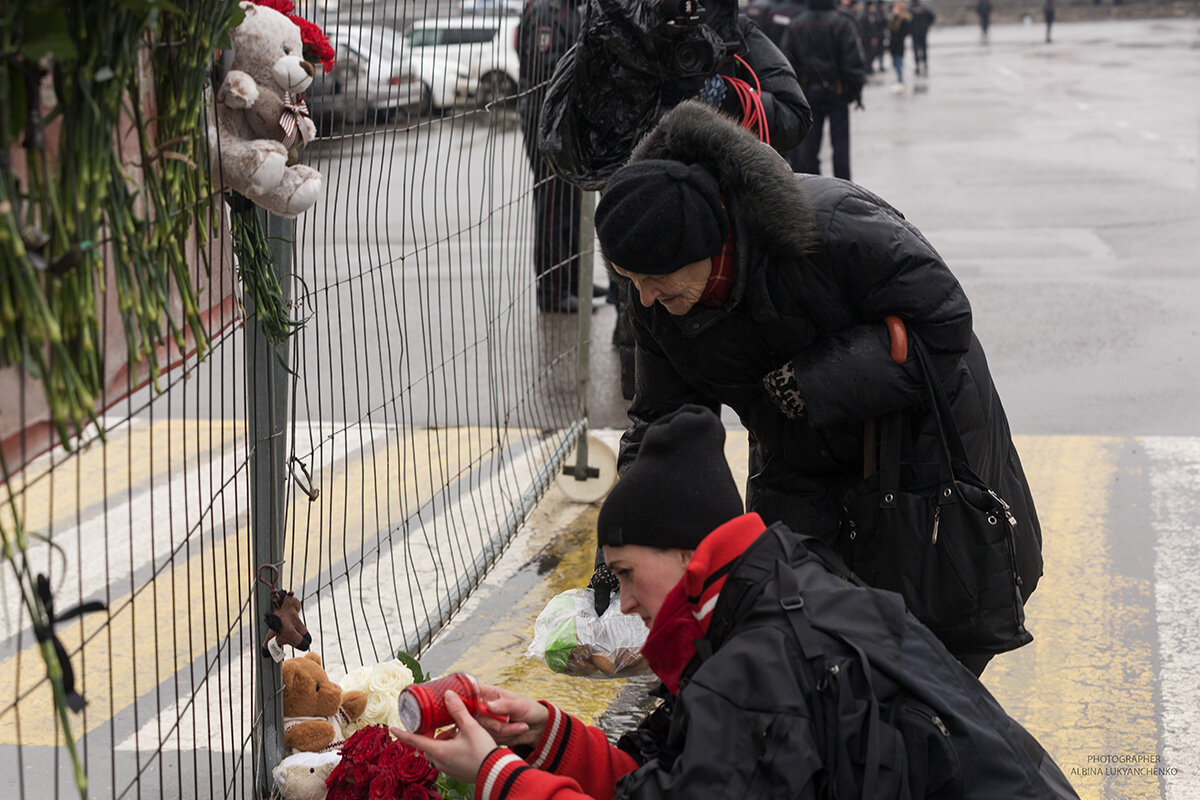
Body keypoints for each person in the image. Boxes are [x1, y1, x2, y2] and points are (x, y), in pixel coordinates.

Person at [393, 407, 1078, 800]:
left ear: (686, 552)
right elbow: (680, 779)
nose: (623, 604)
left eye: (625, 574)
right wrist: (548, 736)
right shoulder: (782, 589)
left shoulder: (753, 665)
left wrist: (497, 778)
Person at [591, 100, 1043, 674]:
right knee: (799, 640)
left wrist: (808, 384)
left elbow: (945, 320)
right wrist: (625, 551)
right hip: (795, 456)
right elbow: (664, 425)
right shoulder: (658, 296)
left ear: (708, 244)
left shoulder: (830, 223)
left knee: (933, 646)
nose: (645, 298)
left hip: (916, 450)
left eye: (655, 279)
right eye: (630, 281)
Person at [517, 0, 592, 313]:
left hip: (565, 117)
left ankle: (573, 280)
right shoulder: (546, 11)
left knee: (571, 200)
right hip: (546, 117)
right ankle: (552, 289)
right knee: (553, 203)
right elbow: (544, 65)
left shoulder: (570, 9)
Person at [781, 0, 868, 179]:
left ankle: (814, 188)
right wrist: (854, 91)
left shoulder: (797, 23)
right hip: (836, 91)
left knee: (809, 148)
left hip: (807, 92)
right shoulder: (842, 23)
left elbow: (787, 61)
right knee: (840, 147)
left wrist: (793, 93)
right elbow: (853, 61)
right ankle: (843, 187)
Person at [886, 0, 911, 87]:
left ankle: (900, 80)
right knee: (894, 63)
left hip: (899, 44)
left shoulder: (904, 20)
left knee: (899, 62)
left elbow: (905, 32)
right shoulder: (891, 18)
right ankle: (899, 79)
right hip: (892, 44)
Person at [909, 0, 935, 75]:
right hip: (923, 32)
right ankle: (925, 64)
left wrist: (909, 29)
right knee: (924, 48)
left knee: (915, 49)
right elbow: (932, 16)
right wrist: (927, 25)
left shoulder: (910, 10)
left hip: (914, 32)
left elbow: (906, 20)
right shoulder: (924, 8)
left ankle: (917, 65)